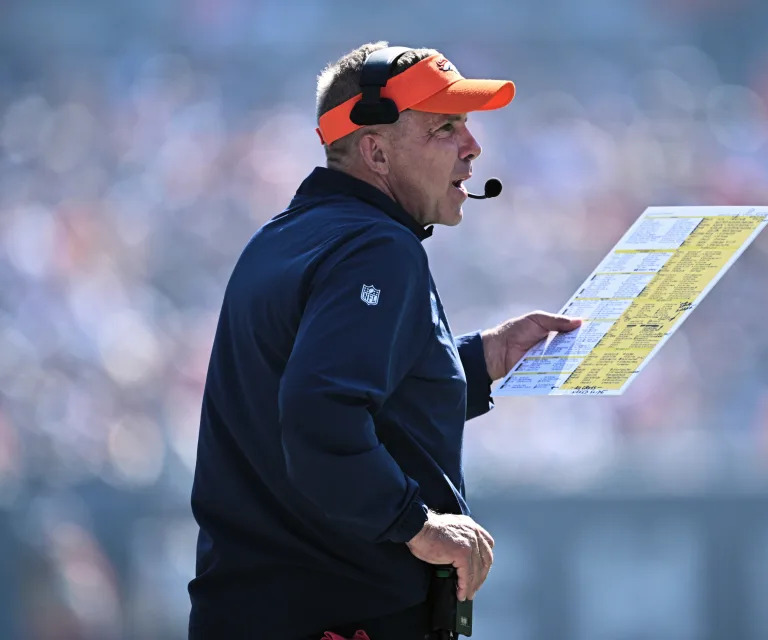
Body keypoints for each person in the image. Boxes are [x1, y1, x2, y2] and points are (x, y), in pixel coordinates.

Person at [187, 41, 581, 639]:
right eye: (445, 129)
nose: (473, 147)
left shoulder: (282, 237)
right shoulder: (377, 247)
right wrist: (419, 527)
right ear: (374, 150)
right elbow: (321, 418)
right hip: (340, 619)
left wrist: (482, 361)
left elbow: (330, 398)